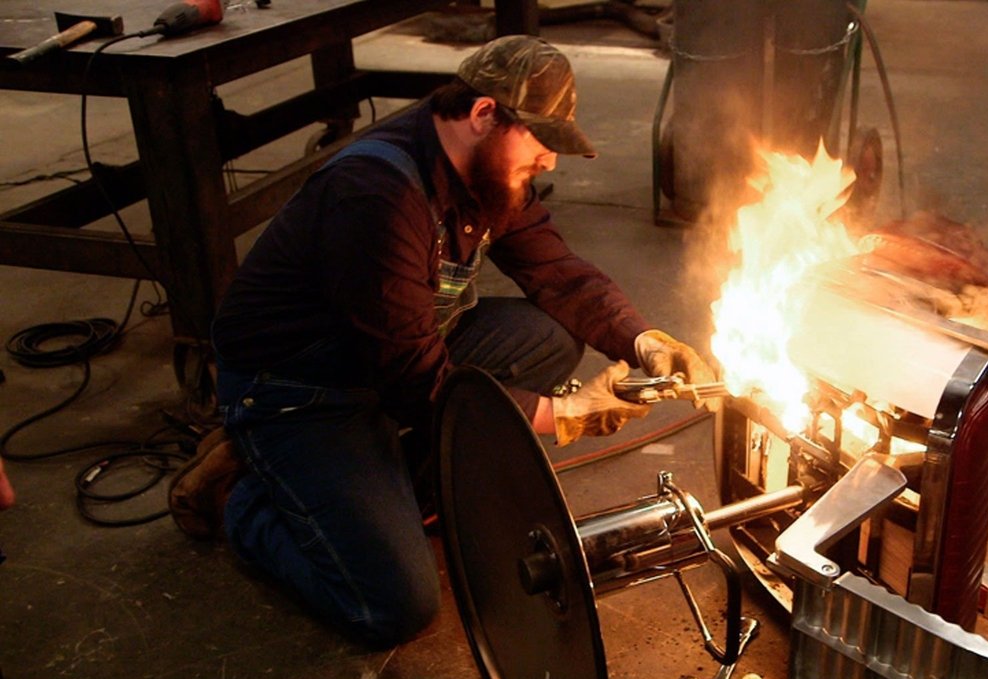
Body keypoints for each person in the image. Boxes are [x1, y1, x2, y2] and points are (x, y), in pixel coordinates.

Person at [168, 35, 716, 647]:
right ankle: (241, 495)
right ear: (483, 114)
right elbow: (413, 379)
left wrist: (642, 341)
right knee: (392, 604)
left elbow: (557, 273)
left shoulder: (487, 171)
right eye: (540, 140)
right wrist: (561, 416)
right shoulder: (376, 196)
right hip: (302, 391)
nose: (550, 162)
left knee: (547, 335)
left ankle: (381, 483)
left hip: (387, 361)